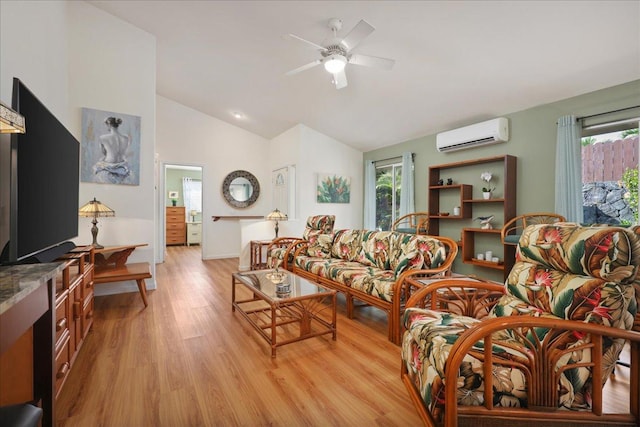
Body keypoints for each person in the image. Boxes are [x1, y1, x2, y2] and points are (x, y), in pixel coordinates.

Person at [93, 116, 132, 184]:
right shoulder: (126, 138)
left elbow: (104, 153)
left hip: (108, 166)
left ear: (109, 125)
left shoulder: (103, 138)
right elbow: (125, 151)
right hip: (122, 166)